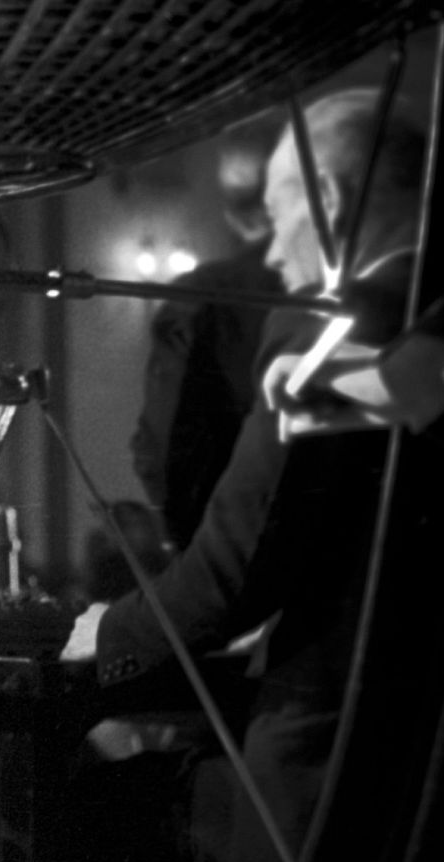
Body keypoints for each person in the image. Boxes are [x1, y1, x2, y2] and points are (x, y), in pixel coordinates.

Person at [61, 87, 444, 862]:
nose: (273, 256)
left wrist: (115, 630)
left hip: (337, 748)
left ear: (332, 199)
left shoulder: (328, 327)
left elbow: (241, 558)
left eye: (281, 218)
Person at [131, 117, 286, 548]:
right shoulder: (340, 289)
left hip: (225, 552)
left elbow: (161, 449)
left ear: (230, 210)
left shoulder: (200, 297)